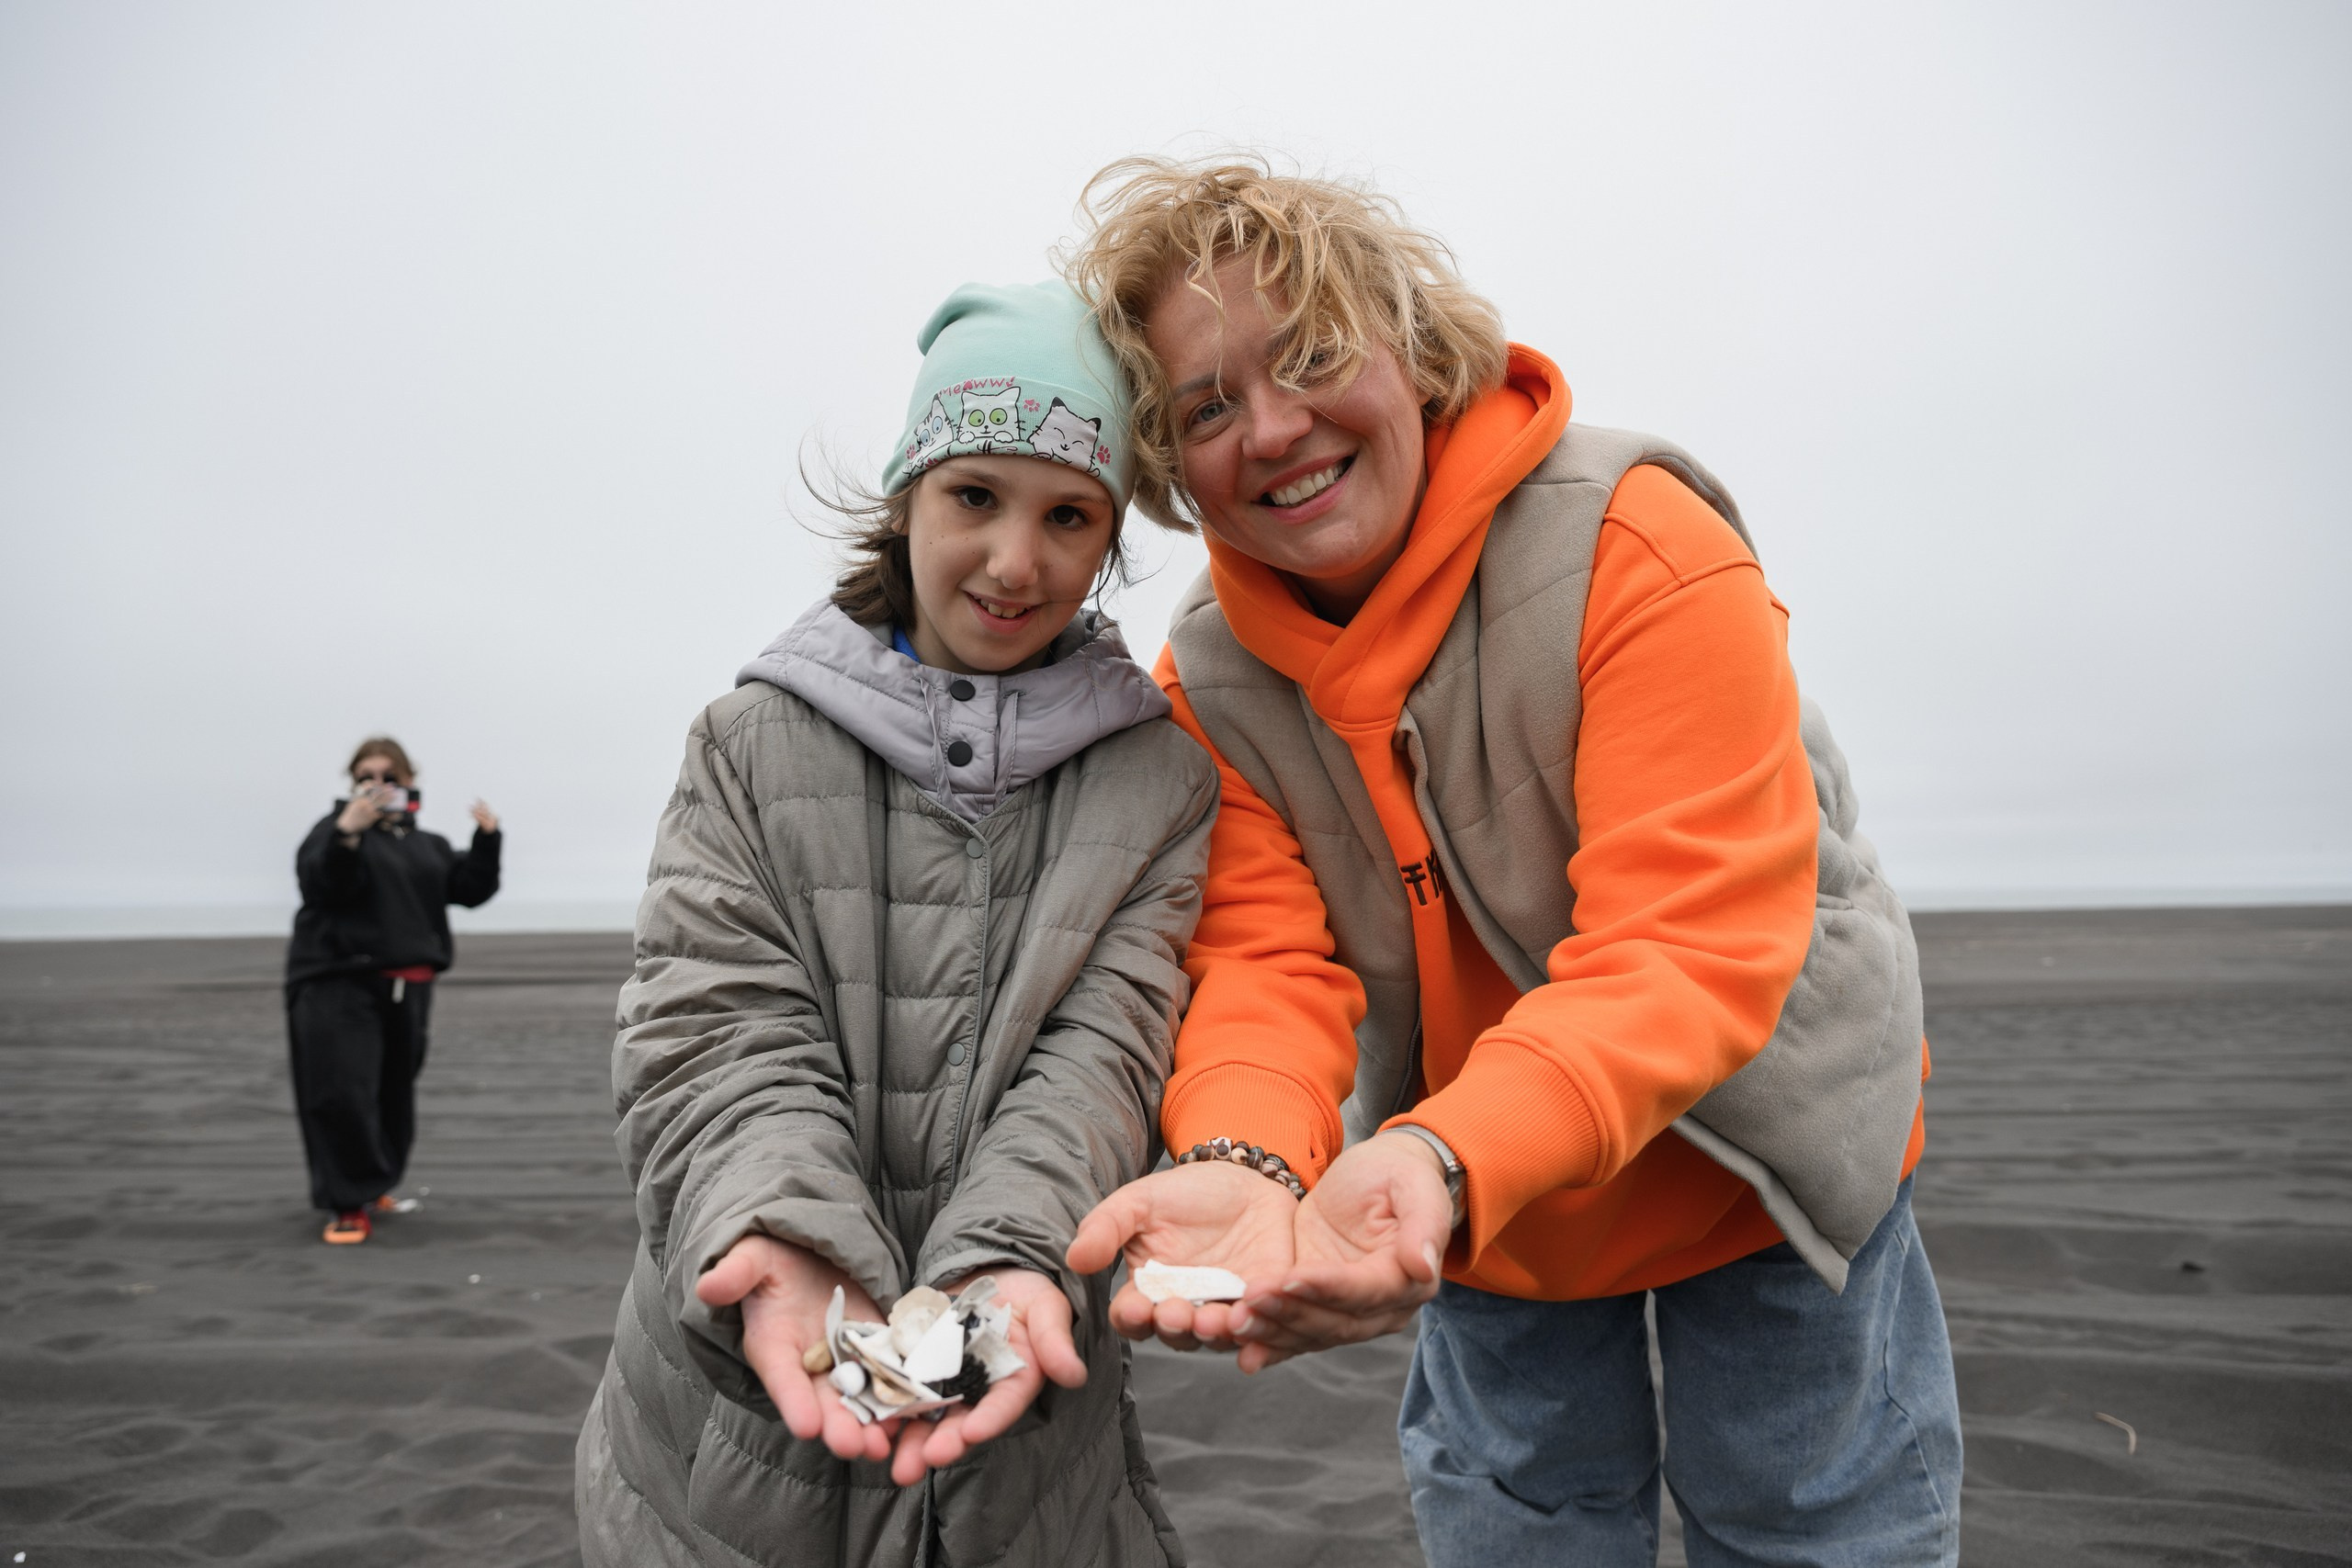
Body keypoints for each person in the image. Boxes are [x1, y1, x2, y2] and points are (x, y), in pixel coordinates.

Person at [1062, 158, 1963, 1566]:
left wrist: (1435, 1149)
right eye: (1207, 405)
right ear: (1170, 468)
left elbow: (1686, 944)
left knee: (1812, 1520)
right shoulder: (1212, 686)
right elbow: (1260, 963)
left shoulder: (1641, 541)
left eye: (1309, 356)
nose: (1278, 427)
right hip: (1480, 1200)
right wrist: (1247, 1156)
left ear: (1413, 350)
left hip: (1762, 1158)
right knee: (1515, 1526)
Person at [574, 281, 1217, 1568]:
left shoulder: (1161, 780)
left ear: (1109, 540)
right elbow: (714, 1020)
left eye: (1068, 514)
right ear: (908, 493)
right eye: (975, 494)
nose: (1015, 560)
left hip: (1033, 1445)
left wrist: (1014, 1251)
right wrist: (782, 1229)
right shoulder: (749, 744)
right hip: (728, 1433)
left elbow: (1106, 1055)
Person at [286, 737, 501, 1245]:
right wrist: (346, 834)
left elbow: (469, 890)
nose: (378, 785)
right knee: (341, 1092)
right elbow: (321, 885)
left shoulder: (424, 843)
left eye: (389, 776)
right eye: (367, 776)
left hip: (410, 985)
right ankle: (346, 1202)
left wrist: (488, 839)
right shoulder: (333, 831)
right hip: (337, 982)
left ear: (408, 781)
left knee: (391, 1092)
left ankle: (375, 1183)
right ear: (353, 782)